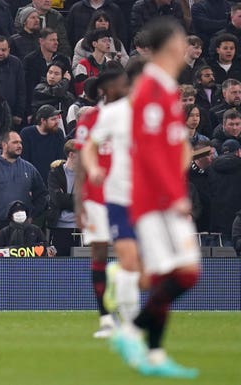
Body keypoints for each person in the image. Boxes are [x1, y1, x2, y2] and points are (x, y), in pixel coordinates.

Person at [117, 18, 201, 378]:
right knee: (185, 274)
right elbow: (149, 150)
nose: (187, 47)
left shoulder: (165, 87)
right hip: (156, 200)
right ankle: (133, 330)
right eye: (182, 40)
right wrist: (172, 194)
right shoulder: (152, 87)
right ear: (169, 45)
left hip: (162, 197)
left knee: (169, 275)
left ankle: (152, 355)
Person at [76, 67, 130, 338]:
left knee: (127, 256)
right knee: (99, 254)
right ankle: (106, 319)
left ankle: (126, 313)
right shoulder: (89, 119)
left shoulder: (130, 117)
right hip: (96, 199)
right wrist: (79, 206)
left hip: (124, 196)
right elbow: (80, 165)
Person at [0, 131, 48, 247]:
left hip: (24, 226)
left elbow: (42, 194)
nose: (19, 145)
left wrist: (31, 216)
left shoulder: (29, 168)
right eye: (15, 142)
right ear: (4, 145)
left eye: (20, 142)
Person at [23, 28, 72, 119]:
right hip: (38, 109)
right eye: (52, 40)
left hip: (61, 108)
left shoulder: (63, 59)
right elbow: (27, 87)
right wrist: (28, 111)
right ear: (41, 41)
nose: (56, 42)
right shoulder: (30, 60)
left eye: (56, 40)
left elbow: (70, 83)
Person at [46, 139, 79, 257]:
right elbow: (57, 200)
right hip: (59, 228)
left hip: (80, 228)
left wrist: (65, 198)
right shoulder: (55, 173)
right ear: (71, 154)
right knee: (60, 269)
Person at [20, 104, 66, 184]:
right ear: (43, 121)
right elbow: (24, 161)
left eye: (57, 119)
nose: (57, 122)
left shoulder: (58, 133)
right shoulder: (27, 133)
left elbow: (60, 159)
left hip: (53, 181)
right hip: (33, 181)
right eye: (53, 119)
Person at [208, 139, 241, 247]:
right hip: (237, 223)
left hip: (217, 221)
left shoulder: (212, 167)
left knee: (220, 260)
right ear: (238, 152)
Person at [73, 29, 110, 95]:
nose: (108, 43)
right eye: (104, 41)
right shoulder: (83, 64)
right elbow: (80, 90)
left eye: (109, 40)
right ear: (94, 44)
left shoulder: (110, 63)